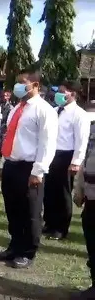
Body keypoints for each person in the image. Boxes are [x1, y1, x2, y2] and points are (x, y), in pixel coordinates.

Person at [0, 68, 57, 269]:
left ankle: (28, 252)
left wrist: (38, 171)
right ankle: (15, 245)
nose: (18, 87)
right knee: (12, 208)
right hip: (12, 164)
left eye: (23, 83)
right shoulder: (16, 108)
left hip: (30, 167)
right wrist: (5, 162)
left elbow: (47, 143)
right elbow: (9, 137)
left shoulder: (44, 110)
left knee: (30, 211)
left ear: (35, 85)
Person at [43, 80, 89, 240]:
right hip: (50, 154)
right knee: (48, 191)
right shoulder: (54, 111)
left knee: (62, 192)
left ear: (73, 94)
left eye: (63, 92)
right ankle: (49, 223)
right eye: (59, 91)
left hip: (66, 156)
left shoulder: (79, 114)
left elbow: (81, 141)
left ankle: (60, 227)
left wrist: (76, 161)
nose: (58, 95)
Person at [72, 122, 95, 300]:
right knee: (92, 243)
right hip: (91, 199)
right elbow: (85, 161)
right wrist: (79, 189)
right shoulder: (93, 128)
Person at [0, 90, 14, 160]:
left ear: (9, 97)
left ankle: (2, 156)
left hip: (4, 126)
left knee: (3, 142)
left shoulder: (10, 107)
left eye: (6, 95)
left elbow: (9, 119)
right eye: (3, 95)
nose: (4, 97)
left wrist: (6, 126)